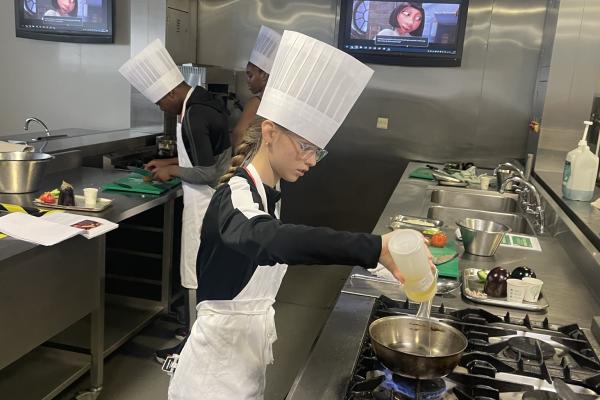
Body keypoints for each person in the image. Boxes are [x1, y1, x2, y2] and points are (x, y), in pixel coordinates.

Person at [167, 31, 433, 400]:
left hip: (245, 364)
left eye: (318, 151)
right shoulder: (237, 196)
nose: (311, 160)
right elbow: (274, 240)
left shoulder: (270, 192)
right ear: (271, 133)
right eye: (306, 147)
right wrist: (373, 248)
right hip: (214, 378)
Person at [119, 39, 232, 363]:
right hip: (211, 201)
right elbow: (215, 160)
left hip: (204, 203)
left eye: (159, 102)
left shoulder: (194, 115)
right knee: (201, 271)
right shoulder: (204, 100)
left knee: (194, 273)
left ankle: (194, 350)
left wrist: (172, 173)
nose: (160, 108)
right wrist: (169, 164)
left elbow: (208, 172)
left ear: (170, 94)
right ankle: (196, 337)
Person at [231, 26, 282, 151]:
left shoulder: (256, 102)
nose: (247, 81)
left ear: (264, 75)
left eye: (250, 75)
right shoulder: (279, 104)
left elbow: (238, 135)